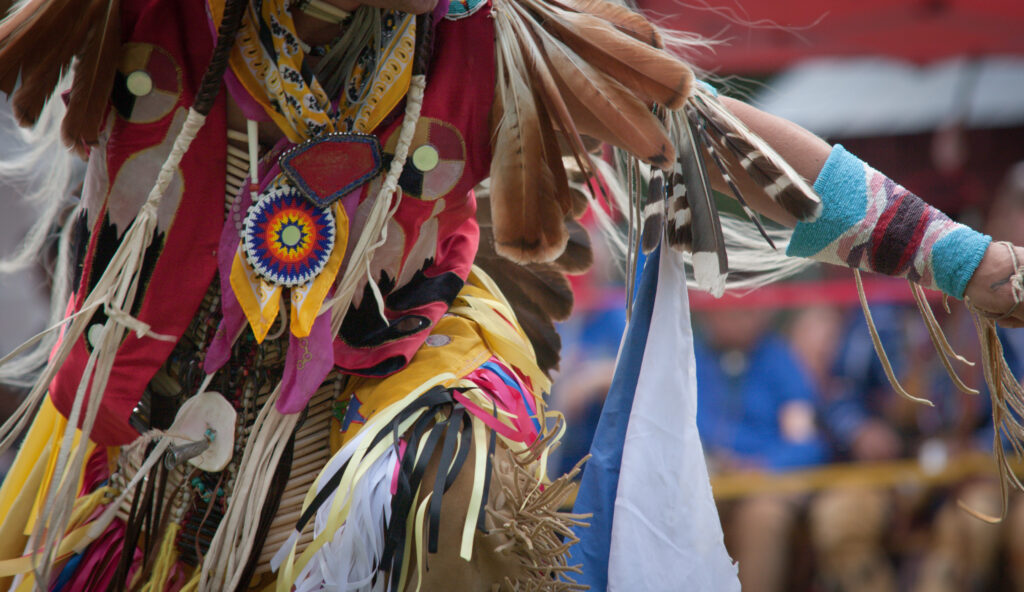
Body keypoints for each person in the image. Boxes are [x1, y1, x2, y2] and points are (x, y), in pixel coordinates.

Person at [0, 1, 1023, 591]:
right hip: (144, 413)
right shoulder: (149, 15)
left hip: (400, 375)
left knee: (450, 507)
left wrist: (958, 256)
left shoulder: (496, 35)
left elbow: (712, 139)